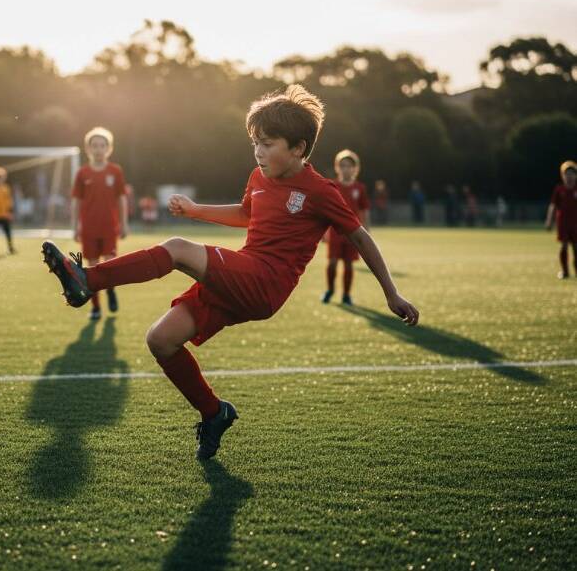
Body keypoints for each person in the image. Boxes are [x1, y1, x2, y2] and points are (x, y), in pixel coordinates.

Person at [41, 85, 419, 460]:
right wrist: (194, 210)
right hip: (242, 275)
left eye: (268, 143)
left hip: (266, 282)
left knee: (176, 249)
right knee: (161, 339)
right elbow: (245, 214)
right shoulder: (259, 177)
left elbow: (361, 237)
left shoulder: (322, 191)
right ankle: (213, 413)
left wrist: (391, 293)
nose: (258, 151)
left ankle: (87, 281)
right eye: (255, 142)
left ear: (299, 148)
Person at [70, 127, 129, 321]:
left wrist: (124, 223)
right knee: (92, 269)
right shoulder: (82, 173)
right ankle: (96, 307)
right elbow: (76, 201)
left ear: (108, 148)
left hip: (109, 228)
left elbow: (121, 199)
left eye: (102, 145)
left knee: (110, 266)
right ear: (88, 148)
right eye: (94, 145)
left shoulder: (115, 171)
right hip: (88, 229)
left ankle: (111, 290)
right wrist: (74, 226)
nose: (98, 149)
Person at [322, 150, 370, 305]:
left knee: (349, 264)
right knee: (332, 262)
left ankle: (346, 295)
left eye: (349, 166)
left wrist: (366, 230)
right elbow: (325, 211)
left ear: (355, 168)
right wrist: (323, 232)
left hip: (353, 232)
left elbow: (364, 210)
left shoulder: (360, 188)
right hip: (335, 232)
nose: (345, 169)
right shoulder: (333, 186)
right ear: (337, 168)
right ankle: (329, 290)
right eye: (342, 165)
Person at [545, 160, 577, 279]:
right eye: (566, 174)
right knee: (563, 246)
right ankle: (565, 271)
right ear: (563, 176)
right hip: (563, 223)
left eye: (572, 174)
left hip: (576, 224)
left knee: (575, 248)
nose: (569, 177)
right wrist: (549, 221)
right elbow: (553, 206)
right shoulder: (559, 189)